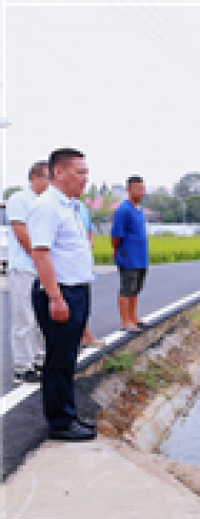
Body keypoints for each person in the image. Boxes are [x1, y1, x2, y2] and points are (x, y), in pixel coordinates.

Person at [28, 148, 97, 441]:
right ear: (58, 172)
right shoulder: (47, 206)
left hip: (76, 290)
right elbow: (40, 254)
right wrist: (55, 298)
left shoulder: (70, 206)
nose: (85, 178)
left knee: (68, 357)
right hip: (61, 292)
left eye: (86, 172)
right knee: (59, 359)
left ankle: (68, 414)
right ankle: (60, 423)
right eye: (79, 172)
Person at [7, 161, 49, 383]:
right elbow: (22, 234)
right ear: (34, 178)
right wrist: (39, 259)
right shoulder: (19, 199)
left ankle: (40, 360)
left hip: (43, 268)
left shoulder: (46, 202)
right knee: (25, 318)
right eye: (47, 178)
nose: (50, 183)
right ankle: (23, 367)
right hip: (24, 267)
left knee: (42, 318)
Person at [111, 175, 149, 333]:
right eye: (137, 188)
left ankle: (133, 318)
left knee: (136, 289)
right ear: (128, 189)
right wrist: (116, 251)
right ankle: (125, 321)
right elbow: (115, 236)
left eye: (143, 188)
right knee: (126, 287)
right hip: (129, 256)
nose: (141, 192)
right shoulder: (123, 210)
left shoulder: (139, 209)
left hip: (141, 257)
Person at [76, 198, 104, 349]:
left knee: (84, 302)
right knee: (70, 304)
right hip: (68, 265)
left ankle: (85, 335)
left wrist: (89, 244)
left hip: (83, 263)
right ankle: (73, 341)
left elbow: (90, 230)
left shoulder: (81, 206)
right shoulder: (55, 205)